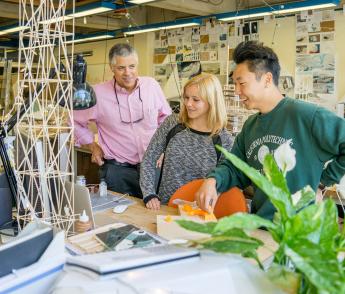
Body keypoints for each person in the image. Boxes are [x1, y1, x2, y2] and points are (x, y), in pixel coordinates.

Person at [196, 41, 345, 220]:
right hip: (263, 226)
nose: (236, 91)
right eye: (234, 84)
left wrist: (322, 182)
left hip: (301, 231)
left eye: (241, 83)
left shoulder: (306, 116)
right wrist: (213, 181)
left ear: (267, 79)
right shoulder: (250, 125)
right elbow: (236, 167)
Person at [73, 43, 171, 197]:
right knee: (119, 217)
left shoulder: (151, 86)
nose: (128, 73)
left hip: (153, 168)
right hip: (117, 171)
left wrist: (164, 149)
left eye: (132, 66)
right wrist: (93, 146)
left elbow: (166, 120)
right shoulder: (98, 93)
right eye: (121, 68)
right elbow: (73, 121)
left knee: (154, 215)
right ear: (112, 68)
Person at [140, 73, 233, 210]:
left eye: (196, 100)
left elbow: (227, 181)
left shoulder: (224, 139)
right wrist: (149, 193)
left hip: (200, 214)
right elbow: (149, 159)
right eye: (186, 98)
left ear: (212, 101)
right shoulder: (172, 123)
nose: (188, 104)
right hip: (165, 208)